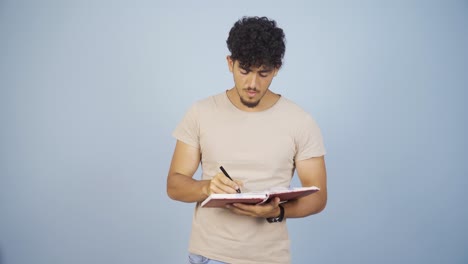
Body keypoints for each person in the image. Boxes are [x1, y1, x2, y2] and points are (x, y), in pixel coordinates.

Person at [167, 16, 327, 264]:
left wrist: (278, 211)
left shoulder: (300, 121)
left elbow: (318, 196)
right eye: (244, 71)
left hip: (269, 258)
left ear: (276, 68)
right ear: (230, 63)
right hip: (210, 254)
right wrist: (207, 187)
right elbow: (174, 185)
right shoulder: (201, 112)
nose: (252, 83)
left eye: (263, 73)